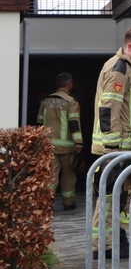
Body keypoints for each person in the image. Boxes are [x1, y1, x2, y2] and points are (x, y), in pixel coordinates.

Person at [90, 26, 131, 258]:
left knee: (128, 192)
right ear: (130, 46)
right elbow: (108, 110)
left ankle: (117, 238)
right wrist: (112, 150)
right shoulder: (119, 70)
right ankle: (103, 246)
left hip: (127, 149)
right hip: (117, 149)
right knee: (109, 196)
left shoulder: (130, 69)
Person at [36, 73, 83, 210]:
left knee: (51, 176)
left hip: (49, 145)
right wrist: (79, 143)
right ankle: (69, 203)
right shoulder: (71, 102)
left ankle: (45, 204)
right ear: (69, 84)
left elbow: (39, 123)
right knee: (68, 175)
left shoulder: (45, 102)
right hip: (67, 148)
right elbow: (74, 124)